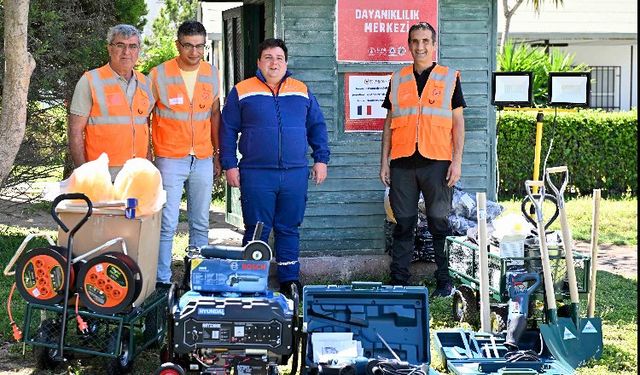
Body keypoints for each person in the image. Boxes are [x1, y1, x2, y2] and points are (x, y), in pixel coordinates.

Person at [220, 38, 330, 298]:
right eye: (268, 57)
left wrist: (321, 159)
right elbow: (227, 130)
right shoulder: (242, 90)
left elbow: (317, 127)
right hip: (257, 173)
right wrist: (229, 165)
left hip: (294, 173)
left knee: (289, 226)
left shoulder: (301, 90)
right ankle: (251, 279)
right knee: (257, 228)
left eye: (279, 57)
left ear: (286, 62)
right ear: (259, 62)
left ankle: (289, 281)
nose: (274, 62)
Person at [379, 22, 466, 297]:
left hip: (438, 161)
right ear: (409, 45)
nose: (420, 46)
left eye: (426, 41)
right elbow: (388, 123)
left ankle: (443, 281)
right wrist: (384, 162)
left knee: (439, 223)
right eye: (415, 41)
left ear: (434, 44)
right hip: (402, 162)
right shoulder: (398, 79)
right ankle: (399, 281)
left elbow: (458, 123)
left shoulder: (449, 77)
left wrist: (457, 161)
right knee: (403, 224)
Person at [148, 21, 221, 287]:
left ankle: (197, 280)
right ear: (178, 44)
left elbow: (214, 115)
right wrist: (148, 155)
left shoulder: (212, 73)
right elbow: (143, 115)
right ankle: (163, 281)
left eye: (199, 46)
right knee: (167, 223)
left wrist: (217, 154)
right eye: (188, 45)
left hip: (202, 157)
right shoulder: (158, 75)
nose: (194, 51)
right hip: (169, 158)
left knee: (201, 224)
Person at [68, 24, 154, 180]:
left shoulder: (146, 83)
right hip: (101, 175)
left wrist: (149, 165)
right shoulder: (90, 81)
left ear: (138, 50)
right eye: (120, 45)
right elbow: (75, 131)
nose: (126, 52)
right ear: (109, 48)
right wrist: (83, 173)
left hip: (137, 174)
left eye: (132, 46)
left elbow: (144, 127)